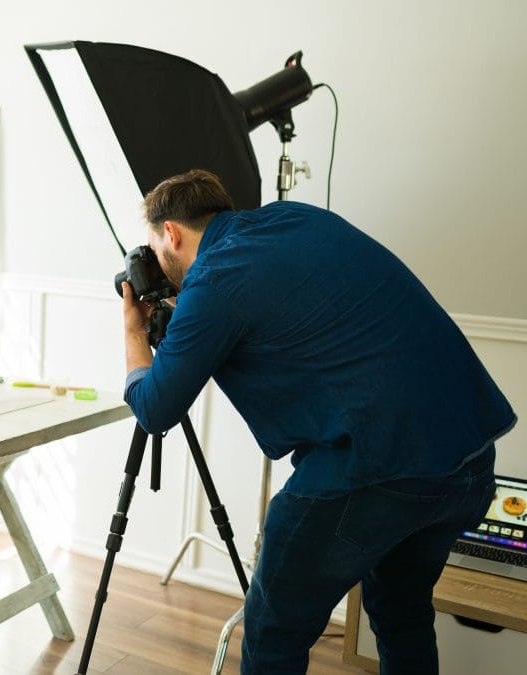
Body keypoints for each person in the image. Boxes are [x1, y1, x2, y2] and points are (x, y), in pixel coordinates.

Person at [121, 169, 517, 673]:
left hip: (376, 470)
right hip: (470, 458)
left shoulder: (215, 279)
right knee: (401, 612)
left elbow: (155, 409)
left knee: (273, 632)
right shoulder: (296, 218)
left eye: (155, 249)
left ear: (170, 233)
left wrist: (134, 335)